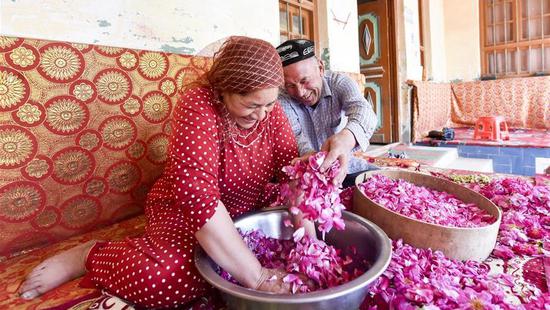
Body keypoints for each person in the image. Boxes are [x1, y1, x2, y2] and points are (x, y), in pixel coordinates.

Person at [19, 36, 308, 308]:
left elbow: (291, 172)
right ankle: (87, 255)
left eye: (270, 104)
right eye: (251, 105)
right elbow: (197, 198)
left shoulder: (270, 113)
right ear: (223, 90)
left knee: (300, 243)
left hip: (244, 213)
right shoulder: (199, 105)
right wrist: (257, 277)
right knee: (166, 277)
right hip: (183, 212)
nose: (262, 115)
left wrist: (310, 241)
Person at [276, 39, 378, 188]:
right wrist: (312, 158)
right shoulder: (282, 97)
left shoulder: (340, 83)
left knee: (382, 182)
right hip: (305, 175)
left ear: (321, 68)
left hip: (345, 166)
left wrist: (346, 138)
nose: (300, 92)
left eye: (305, 81)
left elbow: (363, 110)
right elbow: (295, 134)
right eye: (291, 85)